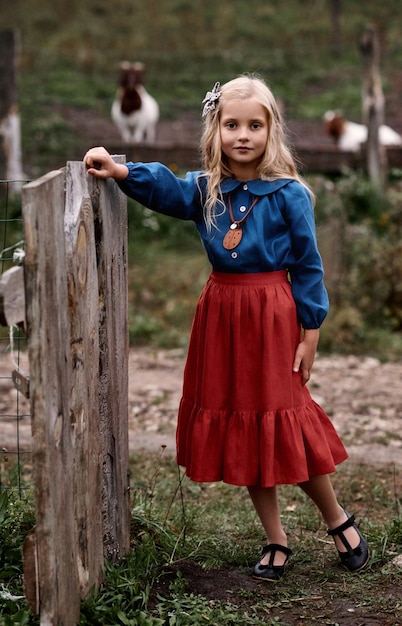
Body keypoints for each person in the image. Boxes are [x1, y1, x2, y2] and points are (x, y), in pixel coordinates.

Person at [84, 74, 369, 581]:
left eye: (254, 125)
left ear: (271, 130)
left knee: (286, 420)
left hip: (273, 315)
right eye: (231, 124)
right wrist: (122, 170)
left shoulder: (289, 195)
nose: (243, 135)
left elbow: (308, 266)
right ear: (215, 130)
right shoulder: (206, 190)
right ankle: (276, 539)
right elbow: (167, 187)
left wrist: (311, 333)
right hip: (222, 315)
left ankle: (337, 518)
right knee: (247, 421)